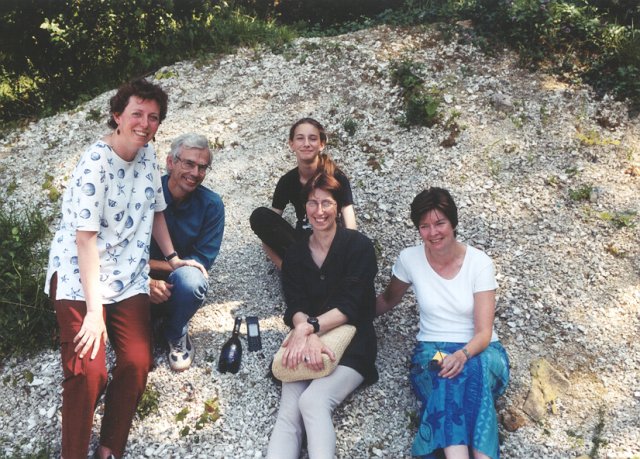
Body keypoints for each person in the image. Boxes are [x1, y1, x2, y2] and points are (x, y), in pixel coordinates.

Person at [44, 79, 207, 459]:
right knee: (89, 371)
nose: (145, 123)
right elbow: (84, 242)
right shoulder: (94, 165)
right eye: (137, 114)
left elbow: (156, 211)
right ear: (118, 116)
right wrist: (95, 313)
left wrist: (172, 259)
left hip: (127, 274)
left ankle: (110, 447)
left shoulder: (148, 154)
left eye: (153, 117)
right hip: (79, 276)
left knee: (137, 361)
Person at [376, 187, 510, 459]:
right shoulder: (409, 259)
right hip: (433, 349)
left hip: (481, 349)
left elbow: (484, 333)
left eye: (440, 223)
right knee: (446, 370)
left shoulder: (479, 263)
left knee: (472, 369)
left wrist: (463, 354)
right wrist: (342, 315)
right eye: (424, 226)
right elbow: (388, 300)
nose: (433, 232)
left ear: (453, 223)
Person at [266, 172, 378, 459]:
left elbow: (351, 305)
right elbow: (295, 304)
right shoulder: (296, 253)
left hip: (352, 341)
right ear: (304, 207)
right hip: (306, 336)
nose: (319, 211)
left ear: (338, 207)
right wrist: (305, 331)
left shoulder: (359, 246)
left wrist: (310, 329)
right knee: (289, 410)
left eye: (326, 203)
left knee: (314, 402)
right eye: (313, 203)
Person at [149, 132, 225, 371]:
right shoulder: (147, 192)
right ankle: (147, 324)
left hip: (179, 281)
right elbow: (119, 252)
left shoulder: (212, 205)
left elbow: (199, 264)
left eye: (202, 167)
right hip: (138, 277)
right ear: (171, 162)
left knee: (192, 281)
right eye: (189, 163)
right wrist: (147, 279)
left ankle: (175, 330)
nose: (195, 173)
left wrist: (171, 271)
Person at [250, 117, 357, 270]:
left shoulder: (336, 177)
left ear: (321, 144)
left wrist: (348, 253)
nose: (306, 144)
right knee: (260, 215)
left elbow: (350, 224)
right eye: (300, 138)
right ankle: (303, 273)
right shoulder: (287, 181)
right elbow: (268, 229)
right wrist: (284, 267)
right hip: (302, 244)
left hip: (333, 242)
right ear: (291, 144)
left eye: (312, 138)